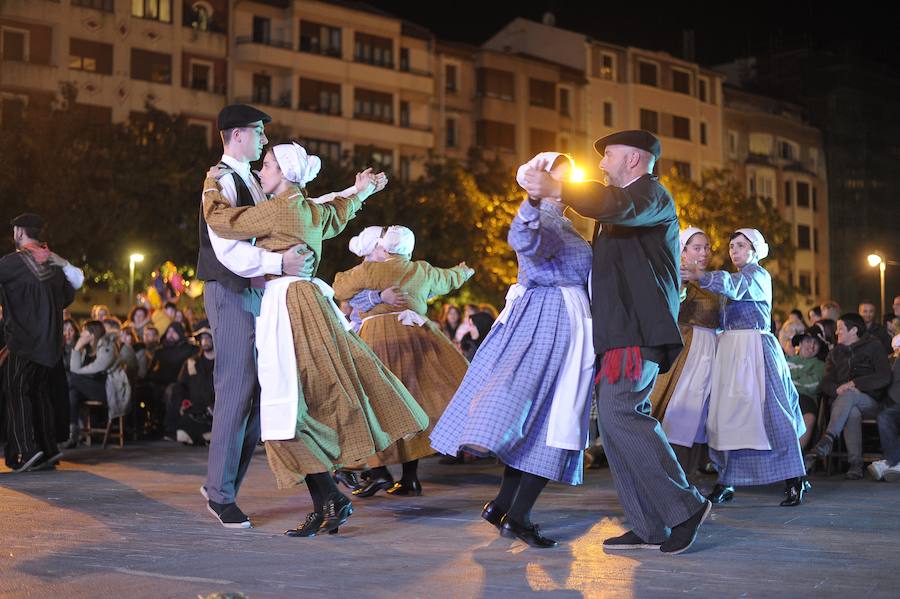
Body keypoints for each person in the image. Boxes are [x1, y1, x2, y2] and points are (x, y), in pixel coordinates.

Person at [202, 141, 428, 538]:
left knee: (287, 408)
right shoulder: (306, 209)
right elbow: (337, 210)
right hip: (306, 301)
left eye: (268, 165)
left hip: (287, 304)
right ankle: (328, 500)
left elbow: (223, 221)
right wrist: (361, 192)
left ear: (285, 174)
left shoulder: (278, 209)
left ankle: (330, 499)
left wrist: (210, 185)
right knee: (298, 405)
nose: (261, 171)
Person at [521, 132, 710, 554]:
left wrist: (560, 188)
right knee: (613, 422)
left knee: (622, 414)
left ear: (635, 159)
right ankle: (648, 525)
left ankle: (686, 507)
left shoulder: (651, 195)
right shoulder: (620, 208)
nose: (602, 164)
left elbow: (616, 205)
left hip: (638, 331)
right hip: (619, 332)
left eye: (608, 155)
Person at [432, 152, 594, 549]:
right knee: (555, 416)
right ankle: (516, 515)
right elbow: (525, 239)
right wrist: (532, 203)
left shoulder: (565, 221)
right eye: (558, 176)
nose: (565, 183)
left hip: (560, 318)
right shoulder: (546, 218)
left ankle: (505, 506)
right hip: (553, 319)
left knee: (543, 418)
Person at [197, 104, 313, 529]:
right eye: (260, 132)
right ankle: (220, 492)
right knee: (237, 387)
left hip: (255, 290)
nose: (265, 140)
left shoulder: (249, 180)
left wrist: (355, 194)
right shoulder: (222, 181)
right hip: (231, 289)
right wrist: (281, 263)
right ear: (238, 134)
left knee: (260, 391)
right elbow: (227, 248)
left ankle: (221, 484)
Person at [334, 225, 474, 497]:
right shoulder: (420, 270)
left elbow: (340, 288)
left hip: (377, 341)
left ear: (385, 248)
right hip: (416, 340)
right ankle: (409, 478)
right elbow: (448, 278)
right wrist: (464, 271)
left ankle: (379, 472)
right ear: (409, 250)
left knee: (376, 403)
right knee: (417, 403)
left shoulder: (369, 271)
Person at [682, 228, 807, 506]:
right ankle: (727, 480)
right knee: (725, 417)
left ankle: (795, 478)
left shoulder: (757, 275)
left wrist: (701, 275)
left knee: (772, 415)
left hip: (755, 349)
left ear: (754, 250)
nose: (734, 250)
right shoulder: (736, 278)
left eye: (741, 245)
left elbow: (734, 285)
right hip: (731, 351)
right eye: (731, 246)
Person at [0, 214, 76, 472]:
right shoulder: (53, 263)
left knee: (16, 391)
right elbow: (67, 297)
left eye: (14, 230)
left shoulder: (13, 262)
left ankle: (26, 450)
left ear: (20, 232)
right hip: (50, 344)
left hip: (24, 341)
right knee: (39, 393)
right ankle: (47, 450)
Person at [649, 227, 719, 479]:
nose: (704, 253)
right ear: (683, 251)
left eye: (707, 247)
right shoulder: (678, 275)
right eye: (697, 248)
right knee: (677, 410)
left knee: (698, 416)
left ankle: (686, 475)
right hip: (686, 351)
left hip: (709, 352)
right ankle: (665, 475)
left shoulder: (711, 279)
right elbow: (672, 302)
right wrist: (681, 284)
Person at [807, 313, 892, 479]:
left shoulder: (874, 346)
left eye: (840, 329)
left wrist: (854, 383)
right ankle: (855, 465)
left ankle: (827, 439)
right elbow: (826, 383)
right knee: (852, 410)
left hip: (871, 402)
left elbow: (884, 376)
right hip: (843, 403)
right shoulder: (834, 353)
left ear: (853, 330)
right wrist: (837, 389)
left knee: (850, 394)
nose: (836, 332)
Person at [173, 321, 216, 446]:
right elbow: (181, 386)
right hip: (195, 410)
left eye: (208, 337)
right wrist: (183, 402)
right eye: (203, 338)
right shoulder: (192, 362)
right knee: (183, 433)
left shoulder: (222, 363)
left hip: (216, 412)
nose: (205, 341)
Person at [785, 331, 826, 449]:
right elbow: (779, 380)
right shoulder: (786, 359)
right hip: (784, 396)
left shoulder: (820, 365)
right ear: (800, 343)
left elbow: (813, 386)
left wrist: (791, 378)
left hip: (805, 398)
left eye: (816, 343)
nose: (811, 346)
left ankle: (796, 455)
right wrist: (804, 375)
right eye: (808, 341)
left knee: (809, 417)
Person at [869, 334, 900, 481]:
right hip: (896, 404)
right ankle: (894, 462)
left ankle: (889, 462)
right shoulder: (893, 362)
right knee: (885, 416)